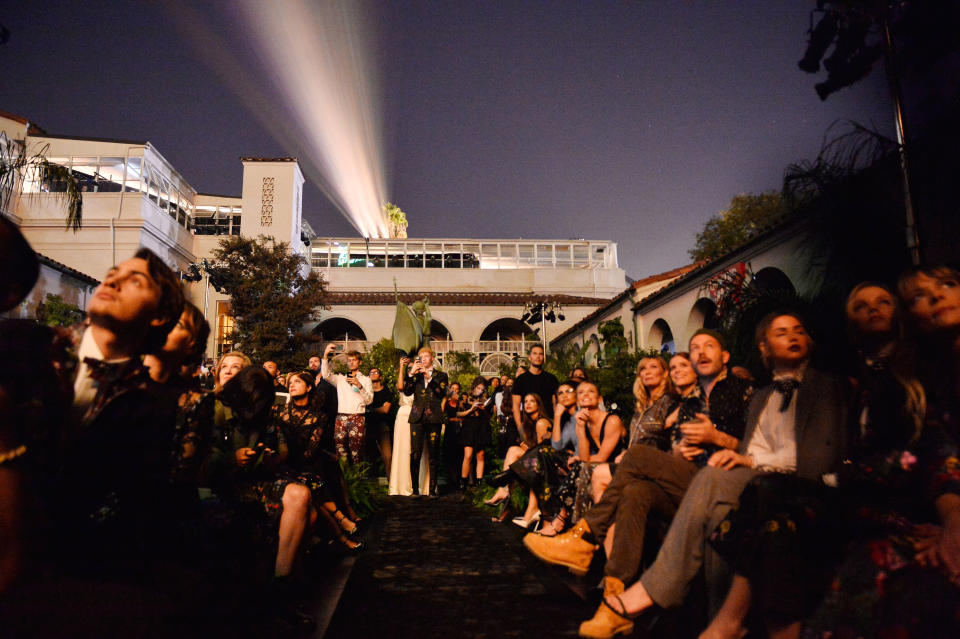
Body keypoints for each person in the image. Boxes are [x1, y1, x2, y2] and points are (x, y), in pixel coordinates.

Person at [582, 312, 847, 639]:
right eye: (781, 332)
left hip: (781, 484)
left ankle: (627, 579)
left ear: (725, 357)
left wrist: (723, 444)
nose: (792, 336)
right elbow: (744, 450)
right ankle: (626, 588)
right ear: (765, 347)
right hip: (724, 479)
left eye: (799, 330)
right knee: (642, 489)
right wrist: (685, 451)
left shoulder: (790, 388)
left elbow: (814, 460)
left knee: (694, 478)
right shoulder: (755, 396)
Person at [525, 331, 754, 602]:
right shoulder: (680, 404)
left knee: (611, 465)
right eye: (693, 350)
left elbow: (757, 449)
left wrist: (713, 439)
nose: (698, 356)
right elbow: (563, 444)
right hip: (667, 474)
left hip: (713, 479)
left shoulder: (723, 395)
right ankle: (614, 588)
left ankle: (580, 537)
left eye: (707, 348)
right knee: (630, 490)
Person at [399, 347, 448, 496]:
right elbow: (406, 391)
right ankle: (415, 490)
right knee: (415, 454)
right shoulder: (416, 376)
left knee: (433, 454)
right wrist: (412, 372)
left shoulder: (441, 375)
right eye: (421, 357)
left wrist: (428, 377)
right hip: (417, 418)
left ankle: (432, 490)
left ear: (432, 358)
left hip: (434, 418)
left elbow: (441, 392)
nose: (423, 359)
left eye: (426, 356)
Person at [321, 344, 373, 465]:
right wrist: (325, 355)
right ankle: (343, 479)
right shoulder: (341, 379)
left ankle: (359, 480)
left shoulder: (366, 380)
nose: (351, 362)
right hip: (341, 417)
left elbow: (369, 400)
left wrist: (359, 385)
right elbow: (326, 375)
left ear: (359, 362)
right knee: (340, 450)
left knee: (357, 452)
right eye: (349, 361)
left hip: (357, 417)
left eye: (354, 360)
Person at [389, 361, 430, 496]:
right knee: (404, 449)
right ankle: (401, 486)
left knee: (418, 450)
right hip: (404, 416)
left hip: (420, 416)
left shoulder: (423, 380)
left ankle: (420, 485)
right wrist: (402, 367)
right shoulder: (407, 380)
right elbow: (401, 388)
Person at [512, 344, 559, 430]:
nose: (538, 357)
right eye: (535, 353)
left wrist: (556, 424)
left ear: (543, 358)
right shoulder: (520, 380)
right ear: (529, 357)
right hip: (528, 424)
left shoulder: (551, 379)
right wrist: (520, 427)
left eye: (541, 354)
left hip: (548, 422)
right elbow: (516, 405)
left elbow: (555, 404)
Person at [459, 377, 493, 490]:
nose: (480, 391)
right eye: (479, 388)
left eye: (483, 389)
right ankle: (463, 482)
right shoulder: (465, 397)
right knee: (468, 455)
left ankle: (479, 482)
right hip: (469, 426)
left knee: (480, 455)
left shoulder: (486, 398)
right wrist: (471, 410)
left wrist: (483, 409)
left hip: (482, 426)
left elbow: (489, 417)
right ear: (474, 386)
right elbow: (458, 413)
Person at [365, 367, 393, 478]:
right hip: (368, 425)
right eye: (371, 372)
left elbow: (385, 410)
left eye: (376, 372)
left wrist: (370, 410)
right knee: (369, 457)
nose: (373, 374)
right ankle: (371, 485)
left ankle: (391, 484)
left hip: (382, 426)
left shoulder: (386, 391)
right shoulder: (366, 392)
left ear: (380, 377)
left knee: (388, 456)